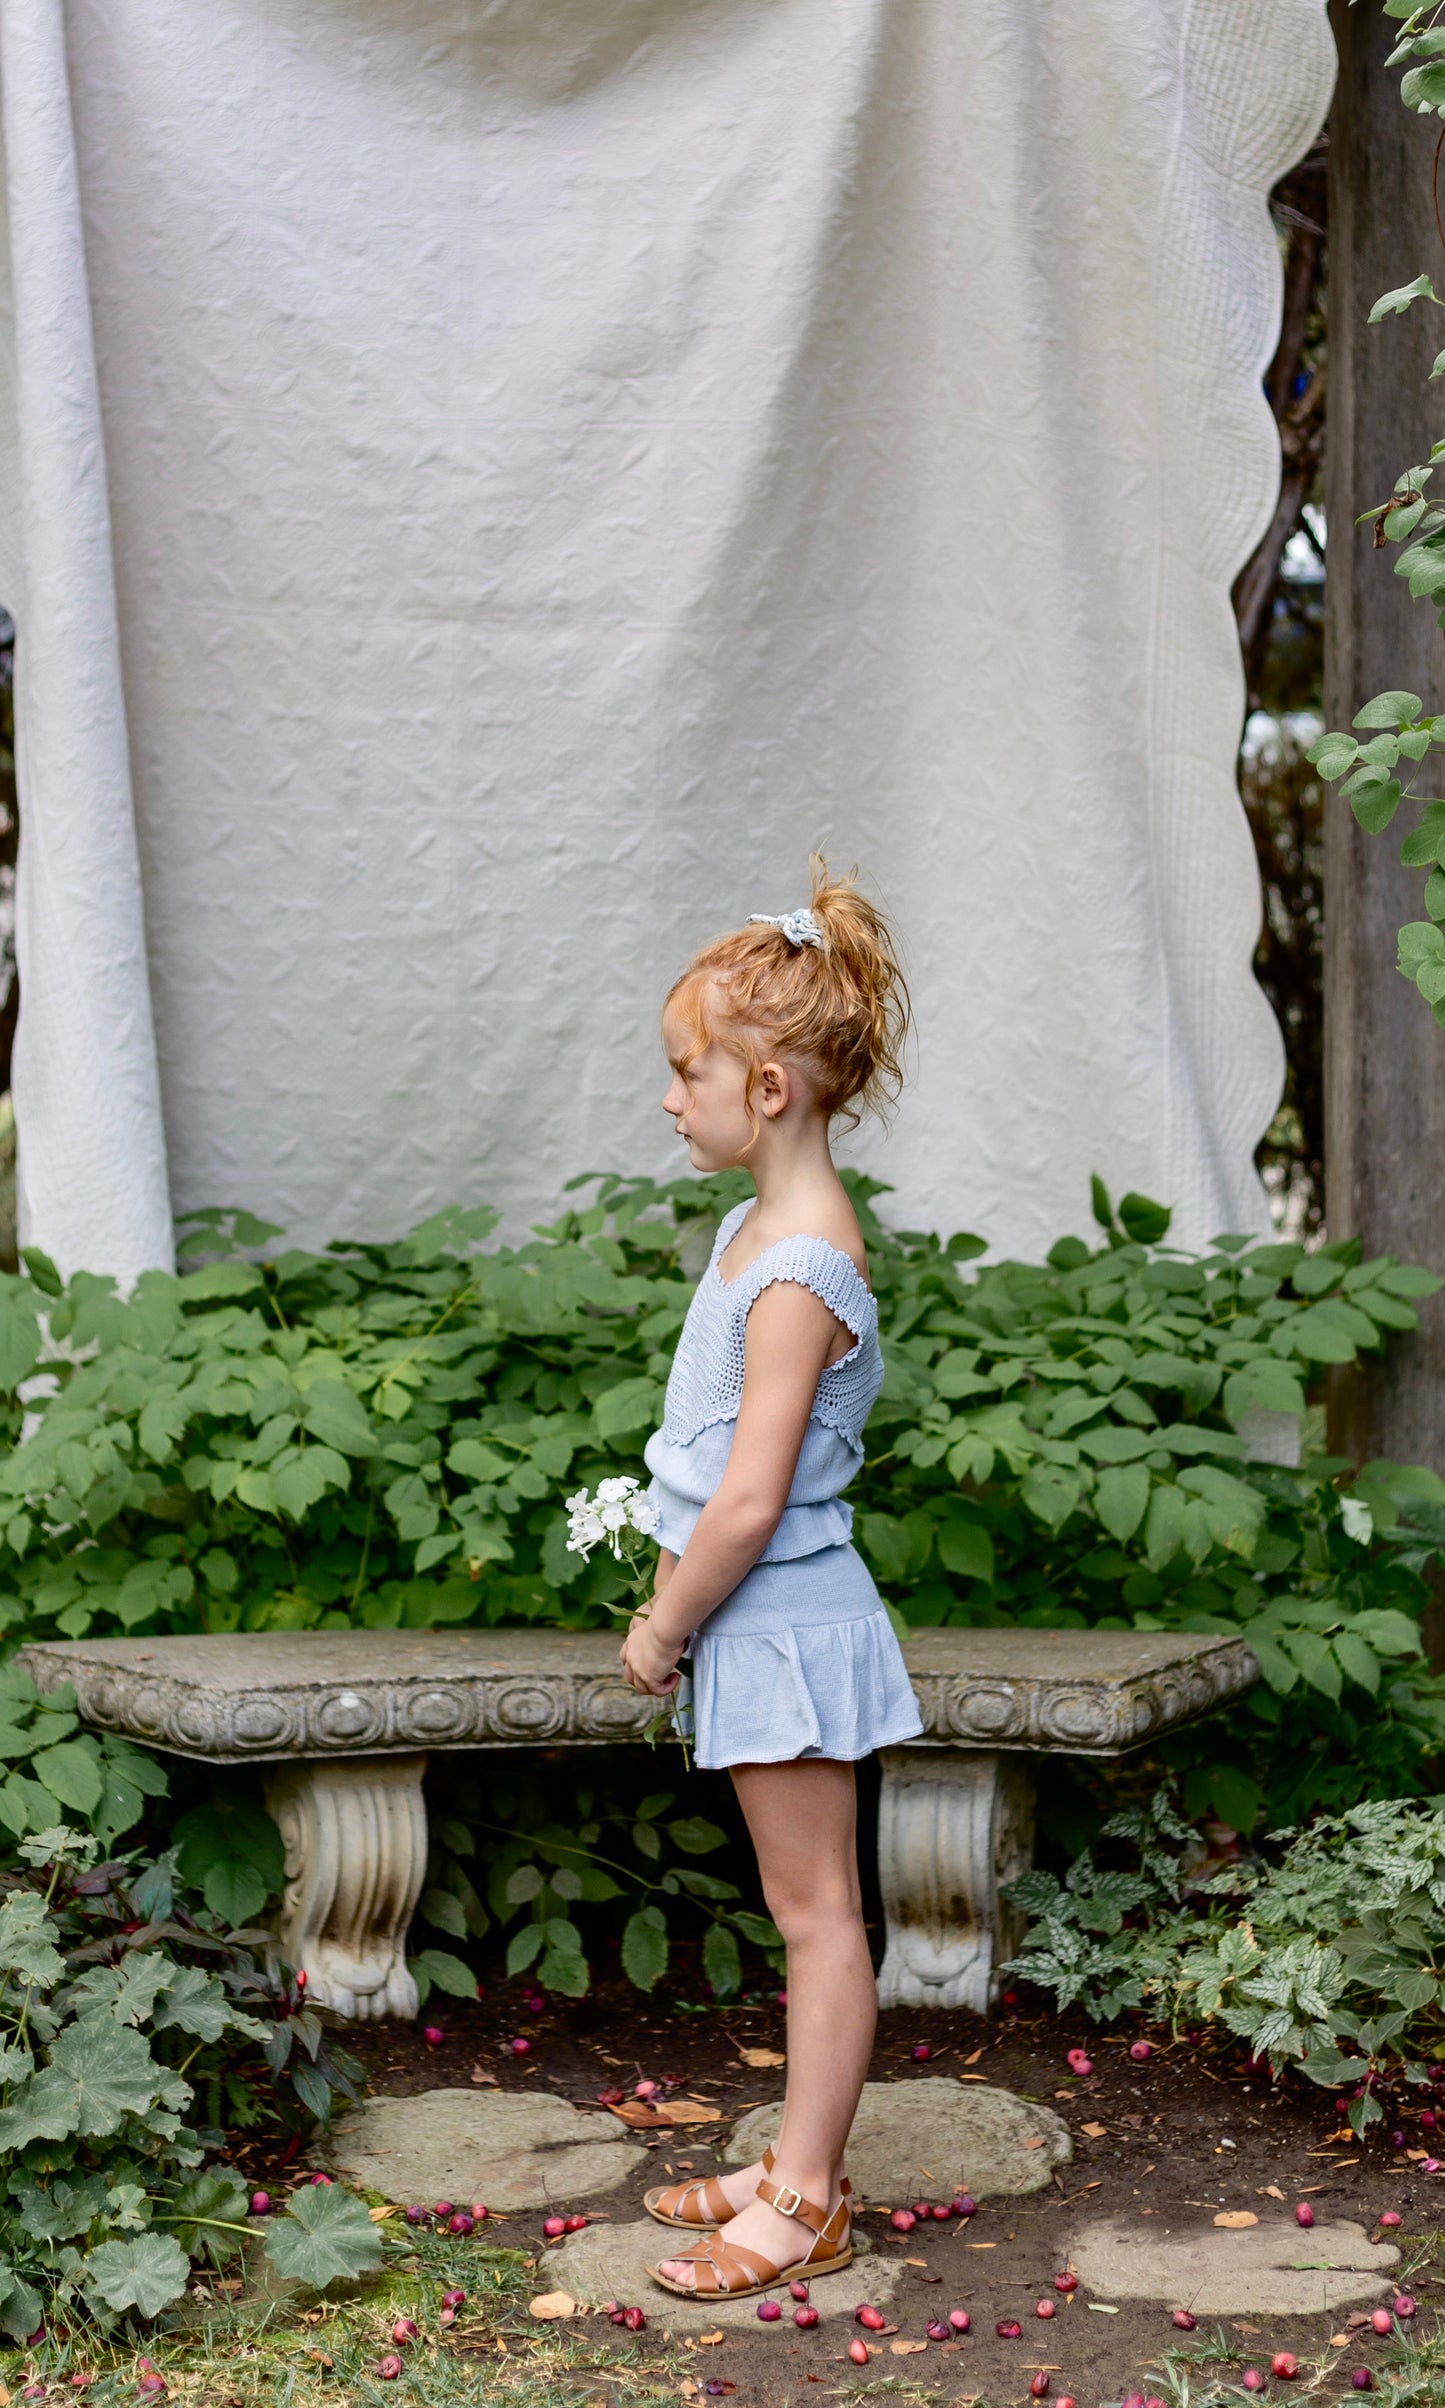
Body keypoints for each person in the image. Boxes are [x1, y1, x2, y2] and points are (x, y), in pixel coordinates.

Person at [619, 857, 923, 2304]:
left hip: (781, 1620)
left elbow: (748, 1497)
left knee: (817, 1917)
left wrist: (665, 1619)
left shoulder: (801, 1268)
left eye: (689, 1072)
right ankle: (790, 2157)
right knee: (799, 1905)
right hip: (763, 1618)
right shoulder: (760, 1234)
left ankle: (804, 2197)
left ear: (771, 1090)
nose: (671, 1097)